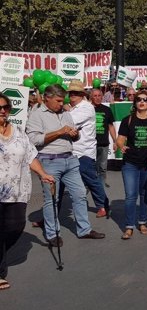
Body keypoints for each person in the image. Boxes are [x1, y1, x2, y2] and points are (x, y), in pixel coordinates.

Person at [26, 85, 106, 246]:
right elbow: (34, 140)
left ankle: (84, 229)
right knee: (51, 200)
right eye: (58, 101)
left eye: (63, 101)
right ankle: (52, 233)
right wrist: (59, 132)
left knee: (80, 195)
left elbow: (73, 137)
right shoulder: (37, 114)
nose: (61, 104)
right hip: (49, 161)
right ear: (47, 98)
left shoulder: (66, 114)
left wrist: (74, 135)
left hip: (70, 159)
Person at [0, 92, 55, 291]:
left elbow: (30, 156)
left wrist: (43, 173)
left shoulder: (19, 132)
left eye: (5, 107)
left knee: (15, 227)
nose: (2, 111)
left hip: (17, 190)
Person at [117, 90, 147, 240]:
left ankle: (143, 222)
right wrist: (121, 146)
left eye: (145, 99)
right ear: (135, 102)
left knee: (145, 194)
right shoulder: (128, 120)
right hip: (130, 162)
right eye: (138, 99)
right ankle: (129, 226)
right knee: (131, 196)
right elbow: (120, 138)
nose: (142, 102)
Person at [67, 81, 111, 218]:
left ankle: (103, 205)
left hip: (83, 152)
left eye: (76, 93)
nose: (72, 95)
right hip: (69, 151)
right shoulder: (72, 108)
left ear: (82, 94)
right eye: (70, 93)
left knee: (91, 179)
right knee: (60, 186)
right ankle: (49, 217)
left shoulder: (86, 108)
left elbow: (69, 122)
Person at [91, 88, 117, 188]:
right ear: (91, 97)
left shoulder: (107, 110)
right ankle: (88, 185)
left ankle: (100, 187)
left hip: (103, 143)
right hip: (90, 144)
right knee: (91, 167)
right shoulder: (88, 109)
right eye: (95, 96)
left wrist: (115, 141)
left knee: (102, 167)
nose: (97, 98)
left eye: (99, 96)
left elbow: (111, 126)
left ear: (102, 97)